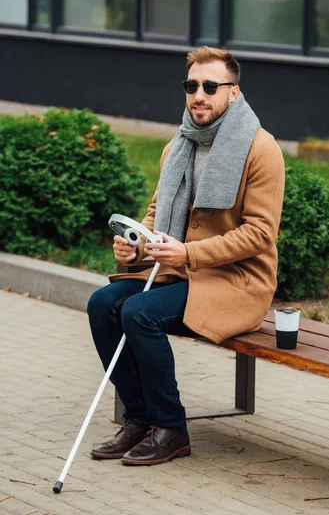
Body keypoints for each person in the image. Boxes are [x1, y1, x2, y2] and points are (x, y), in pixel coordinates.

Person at [87, 46, 285, 466]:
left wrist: (188, 253)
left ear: (233, 92)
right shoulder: (178, 145)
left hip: (236, 281)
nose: (199, 94)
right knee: (102, 303)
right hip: (179, 270)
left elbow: (261, 234)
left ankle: (171, 428)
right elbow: (158, 213)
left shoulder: (261, 149)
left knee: (139, 312)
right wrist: (136, 242)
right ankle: (139, 420)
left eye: (211, 86)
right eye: (192, 85)